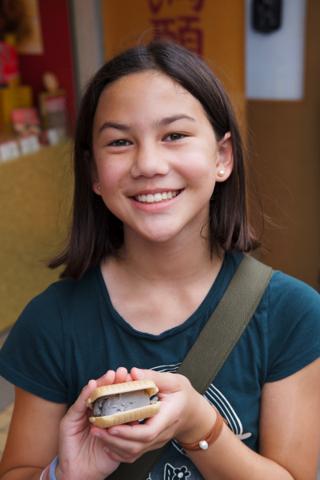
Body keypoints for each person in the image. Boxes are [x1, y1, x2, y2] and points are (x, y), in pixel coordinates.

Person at [0, 40, 319, 480]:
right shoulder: (52, 321)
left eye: (174, 135)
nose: (148, 163)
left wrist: (199, 426)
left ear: (222, 157)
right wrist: (69, 475)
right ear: (94, 174)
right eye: (120, 141)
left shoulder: (292, 313)